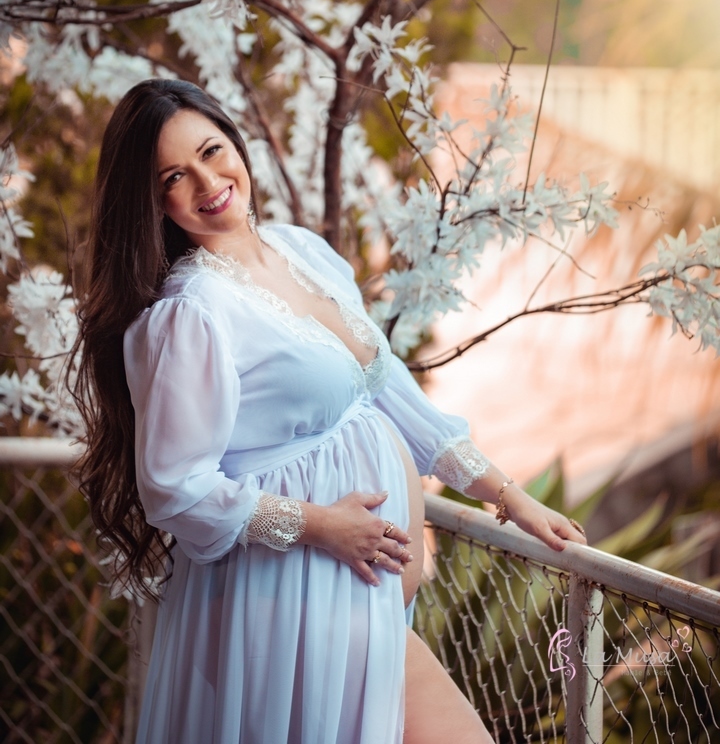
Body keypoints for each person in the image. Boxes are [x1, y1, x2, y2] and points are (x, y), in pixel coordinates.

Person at [72, 78, 587, 744]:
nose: (208, 181)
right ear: (154, 202)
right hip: (291, 594)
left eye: (212, 150)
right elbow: (175, 488)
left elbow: (385, 384)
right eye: (175, 175)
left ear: (235, 139)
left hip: (357, 593)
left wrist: (506, 492)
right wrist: (317, 525)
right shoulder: (192, 315)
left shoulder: (303, 251)